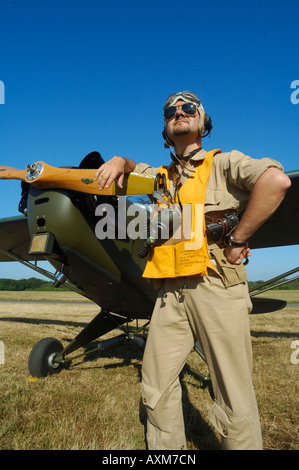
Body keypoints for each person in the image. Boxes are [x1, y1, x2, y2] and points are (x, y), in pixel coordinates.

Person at [94, 91, 291, 450]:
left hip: (216, 286)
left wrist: (239, 238)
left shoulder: (224, 163)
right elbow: (128, 170)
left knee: (233, 392)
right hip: (170, 292)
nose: (179, 112)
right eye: (171, 111)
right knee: (155, 384)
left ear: (203, 121)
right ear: (166, 129)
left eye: (189, 108)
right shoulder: (161, 177)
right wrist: (119, 160)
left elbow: (276, 182)